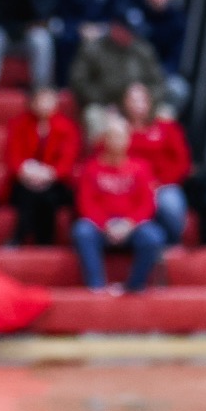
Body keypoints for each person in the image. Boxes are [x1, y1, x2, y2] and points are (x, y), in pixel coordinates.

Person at [71, 115, 167, 293]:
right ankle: (96, 285)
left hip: (131, 227)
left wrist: (129, 224)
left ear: (128, 139)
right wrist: (105, 224)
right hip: (101, 227)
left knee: (154, 236)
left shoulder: (141, 167)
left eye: (121, 136)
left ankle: (134, 286)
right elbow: (86, 204)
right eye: (112, 136)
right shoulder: (91, 168)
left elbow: (147, 204)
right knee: (82, 230)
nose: (117, 141)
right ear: (104, 139)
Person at [7, 84, 80, 245]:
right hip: (25, 180)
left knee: (48, 195)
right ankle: (23, 238)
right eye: (40, 100)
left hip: (56, 182)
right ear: (32, 102)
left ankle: (38, 240)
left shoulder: (67, 127)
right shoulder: (19, 125)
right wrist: (28, 173)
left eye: (48, 100)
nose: (44, 104)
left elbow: (67, 162)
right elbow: (13, 159)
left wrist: (48, 174)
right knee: (29, 193)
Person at [123, 82, 190, 240]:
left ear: (149, 103)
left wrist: (158, 183)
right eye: (133, 100)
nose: (138, 105)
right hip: (128, 185)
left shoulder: (167, 128)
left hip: (162, 185)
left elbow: (182, 163)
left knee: (170, 205)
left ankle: (170, 247)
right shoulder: (118, 131)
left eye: (142, 100)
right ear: (125, 103)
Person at [69, 19, 162, 122]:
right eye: (127, 30)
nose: (130, 35)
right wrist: (104, 101)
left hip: (141, 104)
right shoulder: (93, 49)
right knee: (93, 115)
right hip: (104, 105)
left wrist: (144, 98)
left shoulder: (143, 50)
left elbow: (159, 83)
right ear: (115, 28)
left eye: (133, 31)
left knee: (165, 114)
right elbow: (78, 81)